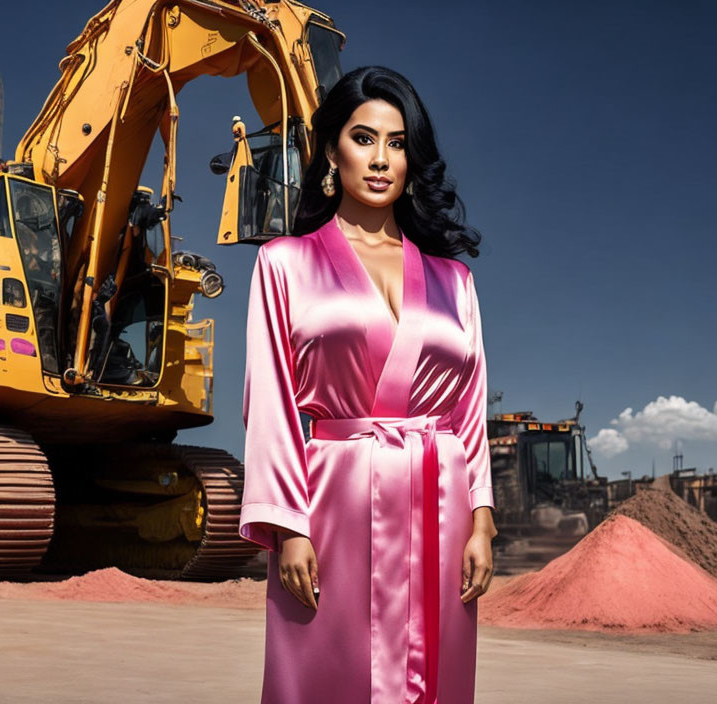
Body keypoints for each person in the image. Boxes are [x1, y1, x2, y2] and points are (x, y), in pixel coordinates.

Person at [239, 65, 498, 704]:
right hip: (333, 504)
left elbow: (469, 410)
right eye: (364, 138)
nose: (381, 158)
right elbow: (269, 400)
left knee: (435, 676)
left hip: (441, 504)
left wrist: (483, 519)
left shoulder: (453, 281)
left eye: (398, 142)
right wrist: (288, 526)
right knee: (324, 673)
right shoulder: (285, 263)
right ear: (332, 150)